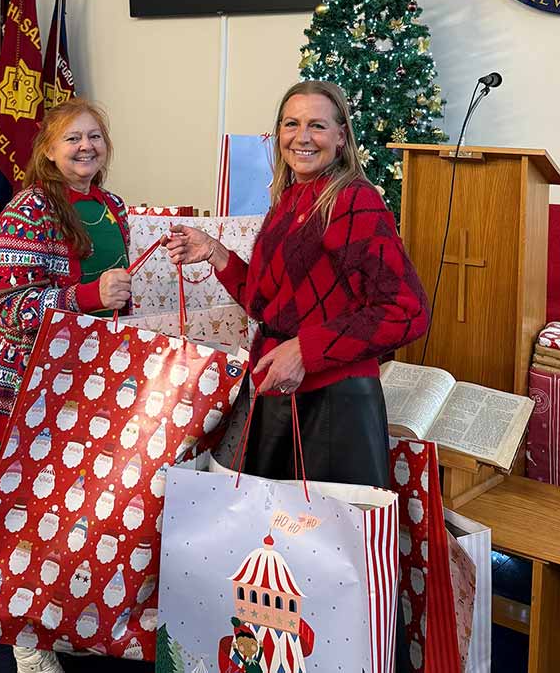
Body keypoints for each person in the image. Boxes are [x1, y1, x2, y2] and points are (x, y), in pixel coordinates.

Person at [165, 79, 428, 673]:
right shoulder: (290, 200)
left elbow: (406, 310)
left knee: (341, 564)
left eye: (316, 125)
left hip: (334, 404)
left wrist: (309, 351)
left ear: (341, 137)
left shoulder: (354, 200)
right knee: (280, 562)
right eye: (290, 124)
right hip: (278, 400)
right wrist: (216, 253)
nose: (301, 136)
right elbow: (266, 304)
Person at [0, 97, 132, 673]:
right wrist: (88, 298)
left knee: (81, 518)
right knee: (26, 522)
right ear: (48, 149)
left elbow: (122, 289)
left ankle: (63, 620)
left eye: (94, 136)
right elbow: (14, 308)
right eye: (73, 138)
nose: (85, 146)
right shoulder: (28, 210)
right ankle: (26, 642)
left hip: (97, 385)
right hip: (35, 392)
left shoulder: (111, 206)